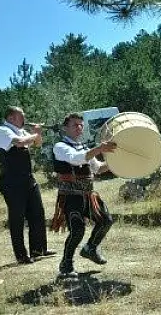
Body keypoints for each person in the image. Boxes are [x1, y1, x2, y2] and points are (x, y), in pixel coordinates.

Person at [51, 112, 117, 279]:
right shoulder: (60, 146)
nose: (79, 128)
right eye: (75, 125)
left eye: (81, 124)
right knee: (77, 231)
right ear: (65, 128)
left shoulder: (84, 147)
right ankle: (66, 266)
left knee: (106, 220)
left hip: (89, 195)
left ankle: (90, 249)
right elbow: (75, 159)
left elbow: (98, 168)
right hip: (71, 196)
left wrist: (117, 163)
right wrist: (99, 148)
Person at [0, 106, 54, 264]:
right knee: (17, 218)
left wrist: (38, 133)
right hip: (12, 182)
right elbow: (20, 143)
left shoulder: (21, 131)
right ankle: (21, 255)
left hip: (28, 179)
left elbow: (38, 143)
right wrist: (34, 134)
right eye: (22, 116)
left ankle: (38, 249)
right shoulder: (3, 130)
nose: (24, 119)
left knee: (37, 213)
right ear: (11, 117)